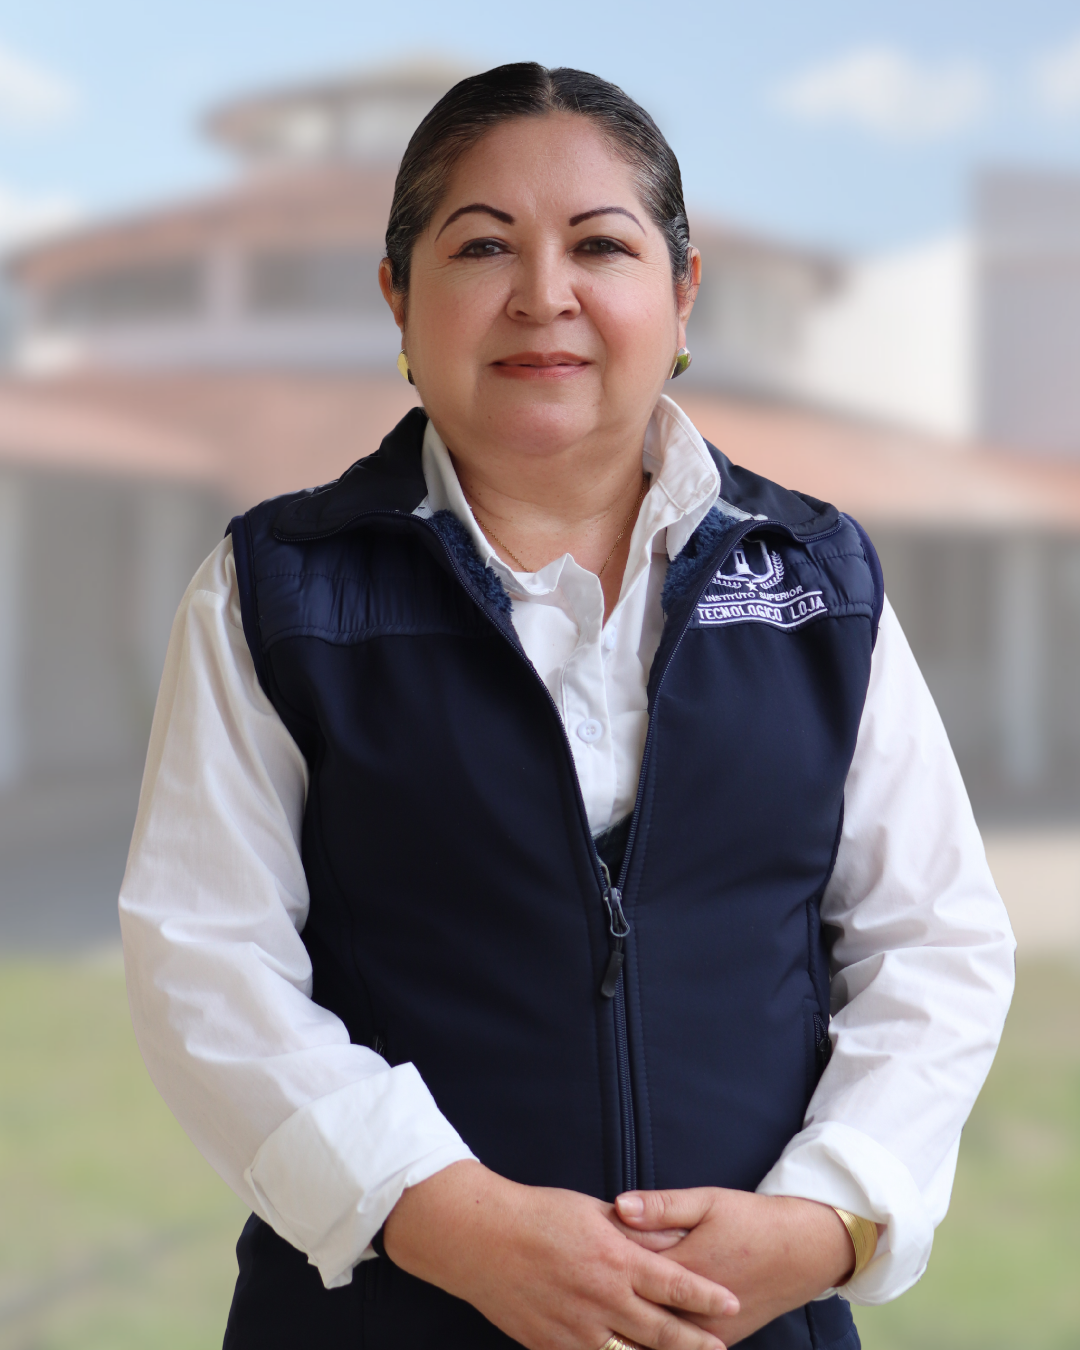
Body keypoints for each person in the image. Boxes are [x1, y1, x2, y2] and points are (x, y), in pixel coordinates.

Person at [119, 64, 1015, 1350]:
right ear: (399, 294)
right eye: (483, 246)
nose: (545, 295)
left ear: (682, 290)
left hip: (748, 1321)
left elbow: (934, 942)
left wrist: (829, 1216)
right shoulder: (277, 591)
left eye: (601, 245)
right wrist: (449, 1219)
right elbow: (205, 957)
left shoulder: (820, 582)